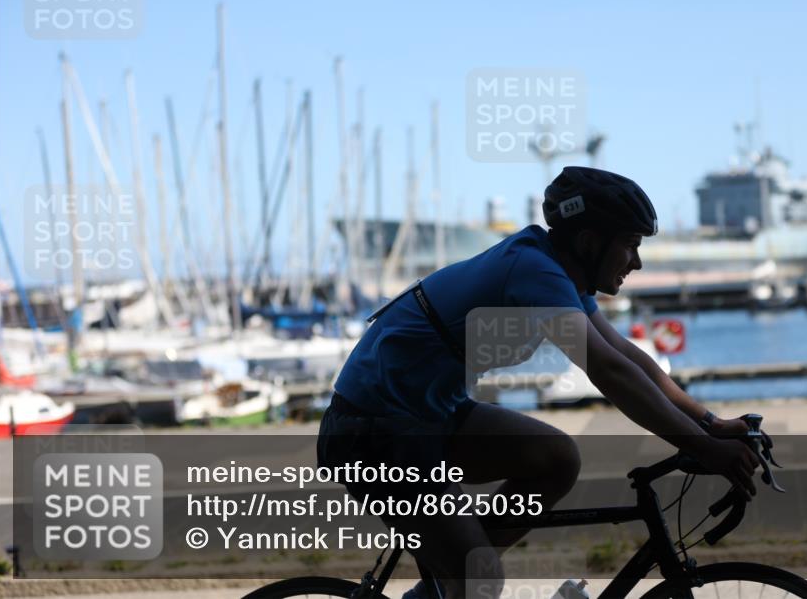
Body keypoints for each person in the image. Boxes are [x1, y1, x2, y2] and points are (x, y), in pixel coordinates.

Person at [317, 166, 760, 599]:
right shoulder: (535, 271)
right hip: (370, 431)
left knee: (555, 459)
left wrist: (710, 422)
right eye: (630, 245)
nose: (638, 262)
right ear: (590, 241)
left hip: (428, 416)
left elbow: (627, 356)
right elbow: (606, 370)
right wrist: (702, 447)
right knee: (480, 577)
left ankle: (445, 582)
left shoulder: (564, 276)